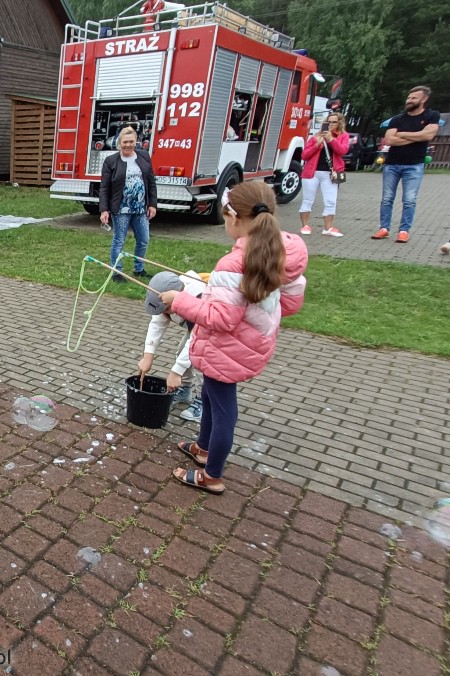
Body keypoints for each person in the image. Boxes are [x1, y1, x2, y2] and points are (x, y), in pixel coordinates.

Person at [158, 181, 307, 495]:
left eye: (225, 218)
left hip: (229, 347)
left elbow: (221, 318)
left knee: (223, 408)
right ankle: (203, 447)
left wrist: (179, 300)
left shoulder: (233, 263)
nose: (226, 224)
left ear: (236, 219)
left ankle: (212, 475)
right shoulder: (283, 252)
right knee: (211, 397)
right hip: (251, 342)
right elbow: (290, 303)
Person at [373, 86, 440, 243]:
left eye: (414, 98)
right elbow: (389, 140)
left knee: (409, 199)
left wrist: (402, 135)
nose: (409, 101)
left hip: (414, 164)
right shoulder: (398, 119)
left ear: (424, 99)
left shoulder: (431, 116)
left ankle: (404, 230)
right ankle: (384, 228)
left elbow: (429, 134)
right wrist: (417, 136)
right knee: (387, 198)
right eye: (408, 98)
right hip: (392, 164)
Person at [139, 270, 208, 422]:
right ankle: (184, 390)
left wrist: (176, 372)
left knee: (200, 362)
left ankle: (206, 401)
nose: (166, 314)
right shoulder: (164, 298)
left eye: (167, 309)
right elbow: (157, 324)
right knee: (182, 350)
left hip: (213, 335)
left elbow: (196, 339)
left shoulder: (199, 299)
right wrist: (148, 355)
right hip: (197, 333)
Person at [98, 126, 157, 279]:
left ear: (136, 141)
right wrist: (104, 209)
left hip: (140, 208)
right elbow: (104, 187)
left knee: (143, 240)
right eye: (125, 142)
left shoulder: (144, 156)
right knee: (119, 240)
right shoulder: (111, 161)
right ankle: (116, 271)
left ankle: (139, 269)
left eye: (131, 141)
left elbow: (151, 182)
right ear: (119, 143)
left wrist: (152, 204)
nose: (128, 145)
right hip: (121, 208)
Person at [298, 113, 349, 237]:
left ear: (339, 123)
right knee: (307, 199)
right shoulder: (316, 136)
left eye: (334, 122)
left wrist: (331, 140)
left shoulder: (343, 136)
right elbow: (304, 155)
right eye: (328, 122)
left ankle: (328, 228)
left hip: (332, 173)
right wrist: (316, 145)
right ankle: (305, 225)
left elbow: (343, 151)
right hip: (312, 172)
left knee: (331, 200)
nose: (330, 124)